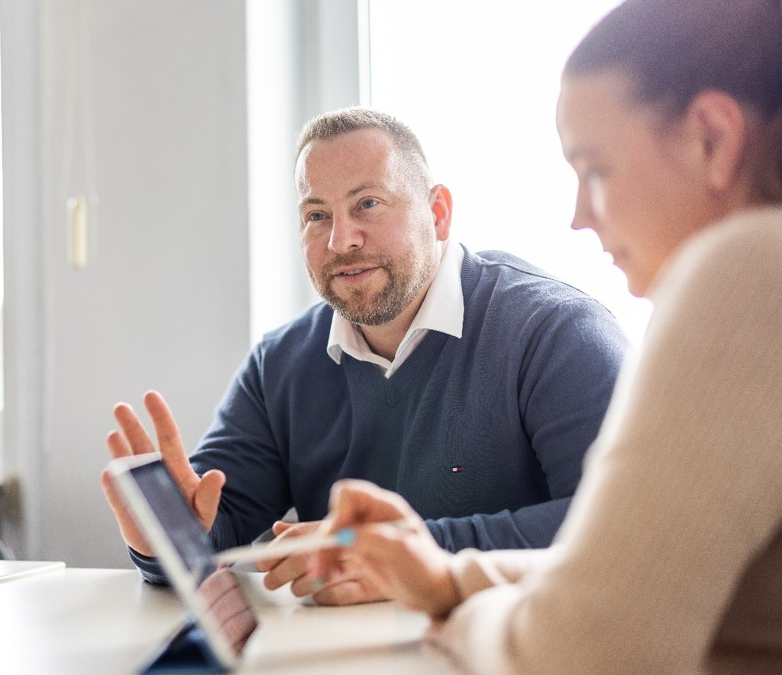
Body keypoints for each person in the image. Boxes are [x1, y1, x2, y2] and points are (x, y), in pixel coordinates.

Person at [308, 0, 782, 671]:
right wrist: (450, 580)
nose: (579, 216)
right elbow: (623, 573)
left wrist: (453, 617)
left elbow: (587, 652)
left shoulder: (748, 270)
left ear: (712, 138)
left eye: (596, 170)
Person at [100, 107, 630, 605]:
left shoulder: (557, 332)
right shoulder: (279, 364)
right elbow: (218, 527)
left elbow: (623, 526)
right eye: (316, 215)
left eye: (367, 204)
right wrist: (165, 538)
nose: (340, 240)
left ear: (438, 213)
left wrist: (403, 558)